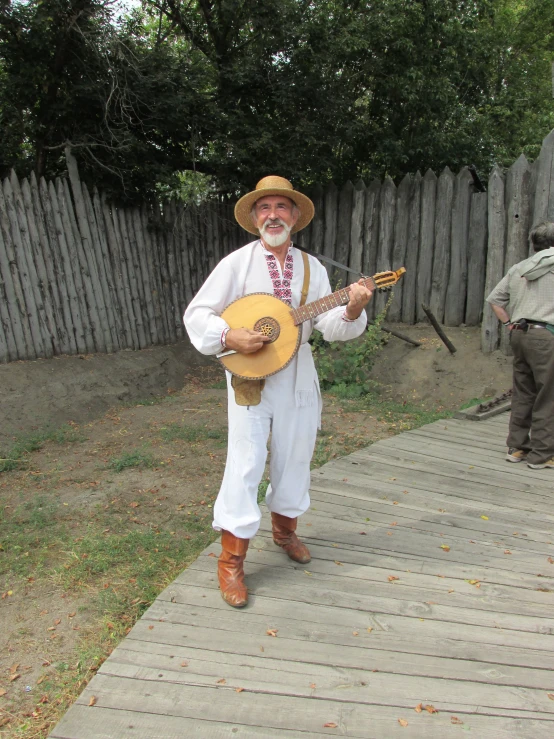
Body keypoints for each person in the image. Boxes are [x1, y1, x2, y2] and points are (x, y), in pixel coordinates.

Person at [183, 176, 373, 607]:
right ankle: (231, 560)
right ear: (254, 217)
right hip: (250, 377)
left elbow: (331, 326)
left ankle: (285, 531)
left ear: (295, 217)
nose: (273, 214)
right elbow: (197, 314)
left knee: (296, 453)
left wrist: (355, 306)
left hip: (298, 372)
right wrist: (229, 337)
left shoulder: (313, 268)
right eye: (264, 207)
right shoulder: (235, 264)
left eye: (281, 207)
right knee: (246, 460)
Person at [486, 221, 554, 470]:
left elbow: (494, 300)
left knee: (524, 391)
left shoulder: (520, 267)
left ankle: (517, 448)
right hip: (547, 336)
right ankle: (543, 454)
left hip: (520, 334)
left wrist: (508, 324)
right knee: (549, 395)